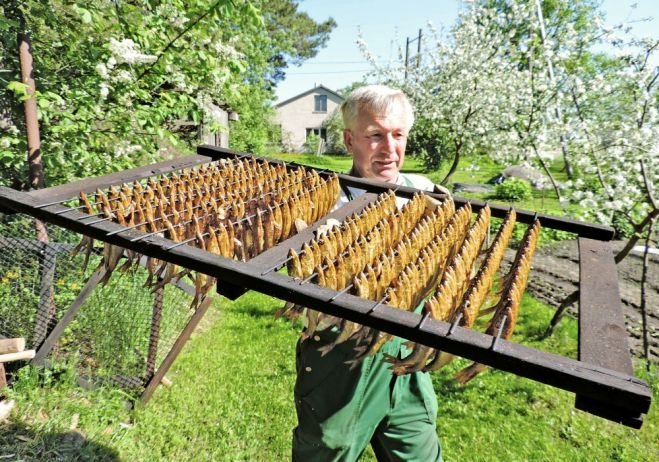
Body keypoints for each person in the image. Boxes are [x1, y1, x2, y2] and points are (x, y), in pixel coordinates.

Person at [292, 85, 444, 462]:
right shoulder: (327, 204)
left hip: (405, 356)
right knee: (330, 449)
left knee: (418, 452)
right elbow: (297, 278)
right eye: (375, 135)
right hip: (340, 359)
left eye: (397, 136)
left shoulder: (426, 191)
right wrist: (316, 244)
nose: (388, 150)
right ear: (349, 140)